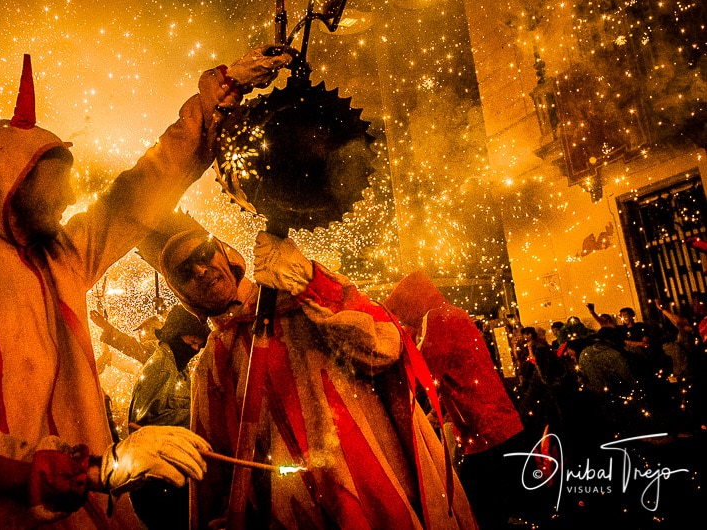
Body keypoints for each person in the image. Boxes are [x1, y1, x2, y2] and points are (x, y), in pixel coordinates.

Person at [0, 46, 292, 529]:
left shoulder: (60, 259)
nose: (69, 196)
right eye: (54, 182)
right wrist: (90, 470)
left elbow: (137, 194)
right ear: (10, 180)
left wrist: (218, 94)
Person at [140, 217, 477, 530]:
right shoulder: (213, 361)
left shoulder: (304, 298)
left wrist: (307, 279)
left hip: (370, 489)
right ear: (183, 294)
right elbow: (214, 467)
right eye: (185, 271)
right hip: (290, 514)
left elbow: (384, 346)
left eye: (202, 254)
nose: (200, 269)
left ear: (224, 253)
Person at [382, 271, 523, 530]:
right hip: (496, 421)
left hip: (484, 429)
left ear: (412, 302)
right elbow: (455, 373)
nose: (403, 320)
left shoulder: (436, 319)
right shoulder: (454, 313)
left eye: (402, 312)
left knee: (474, 506)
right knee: (500, 501)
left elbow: (422, 369)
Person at [127, 303, 211, 530]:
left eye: (198, 345)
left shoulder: (180, 368)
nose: (194, 349)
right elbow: (141, 423)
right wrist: (196, 424)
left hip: (171, 473)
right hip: (156, 479)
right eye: (191, 342)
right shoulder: (161, 367)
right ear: (176, 335)